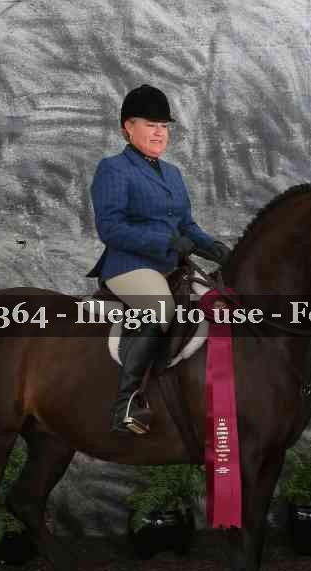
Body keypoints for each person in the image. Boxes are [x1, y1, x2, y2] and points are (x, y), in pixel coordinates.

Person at [87, 83, 230, 436]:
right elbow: (111, 228)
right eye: (150, 124)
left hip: (171, 266)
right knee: (161, 309)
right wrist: (166, 242)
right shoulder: (114, 168)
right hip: (129, 265)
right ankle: (126, 403)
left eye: (164, 126)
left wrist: (212, 247)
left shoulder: (173, 174)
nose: (159, 132)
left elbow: (186, 226)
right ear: (128, 127)